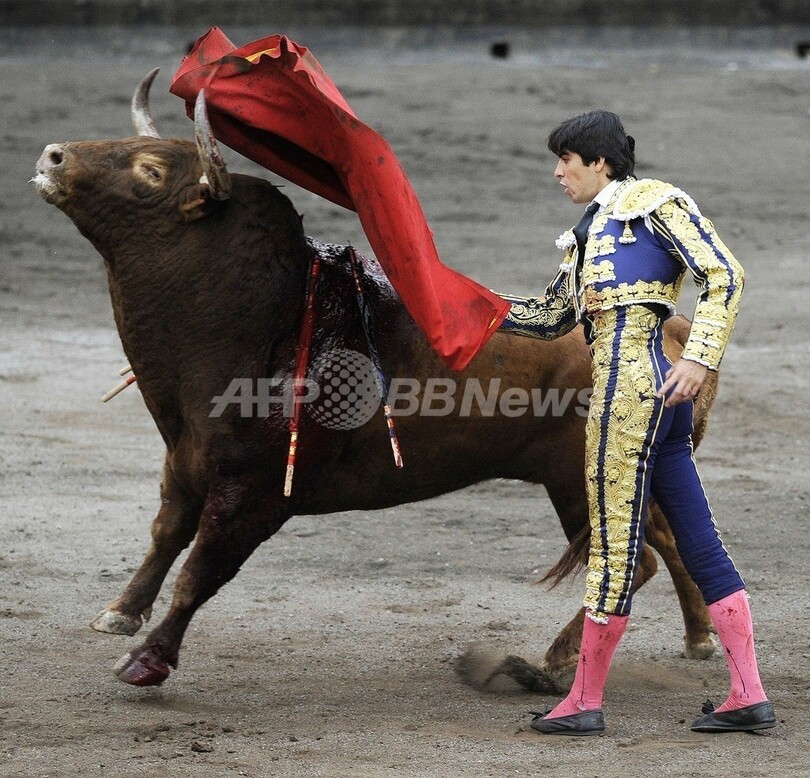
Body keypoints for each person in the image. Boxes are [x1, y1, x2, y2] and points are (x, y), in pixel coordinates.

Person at [498, 110, 775, 736]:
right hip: (657, 400)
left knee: (614, 545)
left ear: (600, 163)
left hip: (627, 397)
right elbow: (548, 317)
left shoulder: (655, 203)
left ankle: (584, 702)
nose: (556, 172)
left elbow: (724, 275)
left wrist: (701, 356)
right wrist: (463, 302)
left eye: (566, 160)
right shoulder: (587, 233)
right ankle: (748, 693)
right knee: (696, 539)